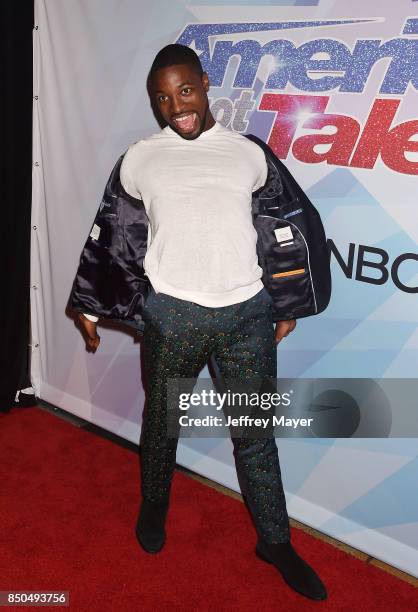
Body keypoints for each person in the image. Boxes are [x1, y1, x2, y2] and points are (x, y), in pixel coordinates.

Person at [70, 44, 329, 601]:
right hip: (172, 314)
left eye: (185, 91)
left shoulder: (249, 153)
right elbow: (111, 237)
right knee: (163, 424)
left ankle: (275, 542)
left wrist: (285, 306)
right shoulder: (140, 158)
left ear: (205, 83)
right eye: (162, 98)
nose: (176, 106)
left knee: (255, 436)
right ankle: (154, 507)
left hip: (246, 316)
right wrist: (90, 309)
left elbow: (287, 228)